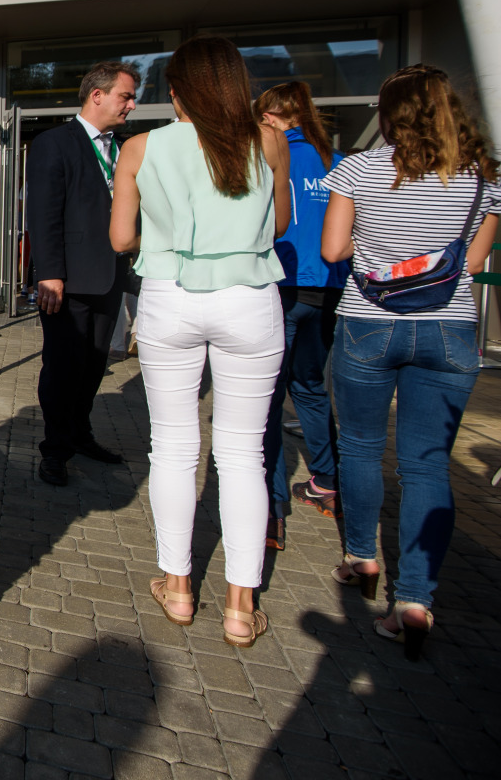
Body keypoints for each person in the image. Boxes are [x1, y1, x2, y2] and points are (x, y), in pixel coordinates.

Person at [110, 36, 290, 648]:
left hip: (171, 296)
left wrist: (165, 232)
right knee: (243, 452)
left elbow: (120, 238)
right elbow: (281, 224)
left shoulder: (140, 146)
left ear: (177, 92)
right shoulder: (268, 140)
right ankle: (241, 607)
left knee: (173, 446)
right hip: (249, 296)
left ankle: (178, 586)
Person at [319, 65, 500, 661]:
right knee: (426, 467)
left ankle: (362, 558)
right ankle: (415, 601)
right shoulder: (482, 178)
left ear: (391, 114)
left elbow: (334, 249)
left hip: (369, 319)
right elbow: (471, 263)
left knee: (364, 447)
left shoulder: (362, 168)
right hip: (449, 327)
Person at [25, 60, 138, 486]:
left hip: (108, 275)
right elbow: (44, 212)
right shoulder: (55, 142)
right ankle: (55, 450)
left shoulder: (123, 147)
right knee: (61, 367)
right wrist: (49, 273)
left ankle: (81, 434)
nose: (131, 105)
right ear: (97, 95)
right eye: (125, 96)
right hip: (66, 281)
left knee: (93, 365)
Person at [256, 82, 349, 551]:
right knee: (312, 389)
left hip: (286, 287)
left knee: (269, 399)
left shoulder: (277, 157)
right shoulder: (333, 159)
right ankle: (327, 483)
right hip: (327, 289)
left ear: (272, 116)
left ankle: (271, 512)